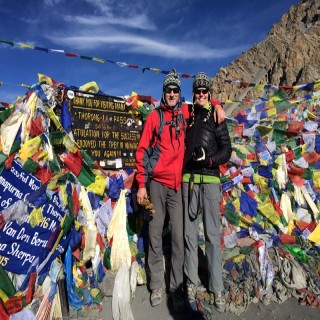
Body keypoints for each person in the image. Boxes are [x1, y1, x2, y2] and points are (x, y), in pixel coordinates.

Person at [135, 70, 225, 313]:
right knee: (154, 235)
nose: (173, 93)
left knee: (178, 237)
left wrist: (217, 104)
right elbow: (142, 150)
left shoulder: (186, 112)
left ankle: (175, 287)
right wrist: (141, 184)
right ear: (163, 93)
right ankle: (156, 284)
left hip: (177, 187)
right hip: (156, 184)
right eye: (169, 90)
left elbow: (204, 100)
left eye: (176, 90)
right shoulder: (155, 117)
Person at [182, 72, 232, 313]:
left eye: (205, 91)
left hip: (210, 181)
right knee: (190, 236)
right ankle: (191, 282)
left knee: (212, 235)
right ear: (193, 94)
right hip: (188, 181)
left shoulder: (216, 116)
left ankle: (216, 286)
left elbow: (227, 150)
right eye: (197, 91)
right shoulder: (188, 117)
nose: (201, 94)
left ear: (209, 94)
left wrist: (210, 160)